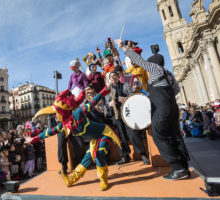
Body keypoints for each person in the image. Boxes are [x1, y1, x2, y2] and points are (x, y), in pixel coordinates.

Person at [118, 40, 191, 180]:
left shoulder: (154, 68)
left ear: (153, 62)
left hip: (162, 107)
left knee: (159, 134)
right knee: (175, 135)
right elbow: (176, 89)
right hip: (172, 107)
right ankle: (183, 166)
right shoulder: (168, 73)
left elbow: (139, 60)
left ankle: (177, 168)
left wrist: (123, 47)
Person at [27, 85, 120, 191]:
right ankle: (71, 179)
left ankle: (103, 180)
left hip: (104, 132)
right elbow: (49, 132)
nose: (55, 116)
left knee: (98, 154)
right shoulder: (64, 125)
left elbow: (93, 102)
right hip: (95, 139)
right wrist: (33, 139)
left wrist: (104, 90)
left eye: (56, 113)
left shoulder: (78, 113)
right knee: (87, 158)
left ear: (63, 112)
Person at [107, 70, 149, 165]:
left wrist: (126, 99)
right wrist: (109, 104)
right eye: (111, 76)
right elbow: (105, 104)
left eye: (115, 75)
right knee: (120, 136)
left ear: (118, 77)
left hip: (127, 113)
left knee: (132, 133)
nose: (113, 78)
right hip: (116, 115)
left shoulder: (125, 85)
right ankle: (124, 156)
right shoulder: (108, 90)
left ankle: (143, 154)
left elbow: (133, 97)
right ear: (109, 79)